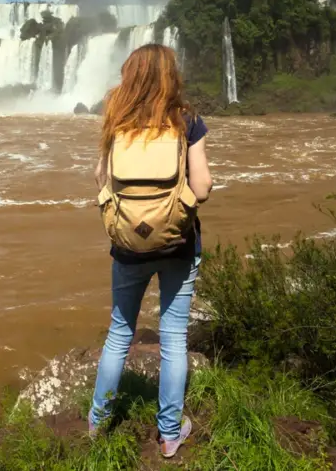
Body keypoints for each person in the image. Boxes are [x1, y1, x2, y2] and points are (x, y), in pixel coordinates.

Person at [88, 43, 213, 459]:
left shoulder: (115, 120)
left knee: (119, 333)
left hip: (126, 245)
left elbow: (100, 177)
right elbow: (203, 187)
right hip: (178, 242)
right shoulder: (187, 120)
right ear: (169, 76)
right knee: (174, 337)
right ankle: (169, 434)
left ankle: (98, 421)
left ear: (130, 75)